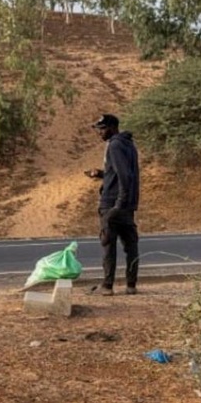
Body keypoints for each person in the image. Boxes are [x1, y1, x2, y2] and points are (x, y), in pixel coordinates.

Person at [85, 114, 140, 296]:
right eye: (98, 129)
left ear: (112, 128)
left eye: (102, 129)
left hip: (112, 202)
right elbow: (120, 172)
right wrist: (102, 174)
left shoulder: (114, 145)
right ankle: (131, 285)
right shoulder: (128, 144)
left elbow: (124, 175)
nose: (99, 132)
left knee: (108, 243)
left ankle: (107, 286)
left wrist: (118, 203)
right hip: (127, 204)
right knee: (131, 245)